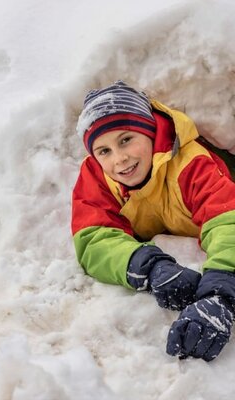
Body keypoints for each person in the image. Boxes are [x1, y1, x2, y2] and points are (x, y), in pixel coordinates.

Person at [72, 80, 235, 362]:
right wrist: (150, 268)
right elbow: (94, 238)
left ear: (150, 132)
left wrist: (220, 294)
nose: (120, 159)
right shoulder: (97, 177)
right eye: (104, 151)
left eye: (126, 140)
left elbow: (227, 220)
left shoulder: (190, 163)